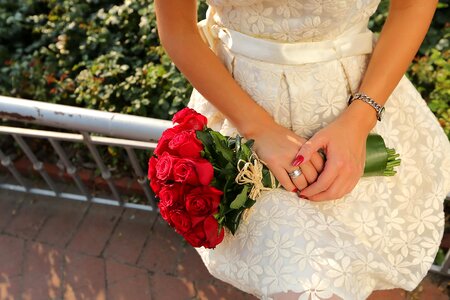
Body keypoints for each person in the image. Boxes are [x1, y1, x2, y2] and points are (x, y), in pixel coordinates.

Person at [154, 0, 450, 299]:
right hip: (243, 117)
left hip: (355, 102)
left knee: (376, 279)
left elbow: (413, 6)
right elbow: (178, 29)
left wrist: (359, 121)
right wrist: (259, 130)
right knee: (306, 287)